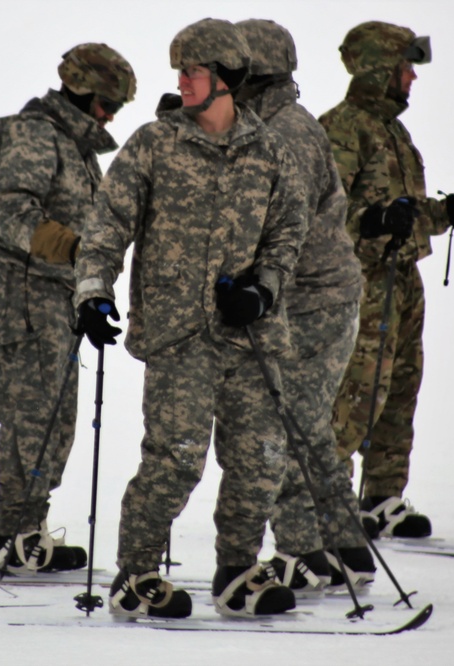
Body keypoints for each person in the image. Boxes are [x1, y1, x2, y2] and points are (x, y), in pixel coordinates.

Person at [73, 18, 309, 619]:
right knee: (176, 459)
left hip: (250, 336)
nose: (181, 81)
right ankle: (137, 575)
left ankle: (237, 571)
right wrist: (93, 294)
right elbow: (105, 230)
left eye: (193, 71)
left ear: (225, 79)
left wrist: (263, 290)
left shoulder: (270, 150)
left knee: (259, 459)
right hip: (180, 336)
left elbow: (288, 232)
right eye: (180, 70)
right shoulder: (155, 143)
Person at [319, 21, 454, 539]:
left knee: (399, 390)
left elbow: (405, 211)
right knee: (352, 397)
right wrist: (374, 222)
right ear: (380, 69)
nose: (412, 78)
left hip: (401, 281)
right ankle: (322, 509)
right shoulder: (341, 129)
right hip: (356, 286)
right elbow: (320, 217)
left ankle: (381, 497)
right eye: (405, 67)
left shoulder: (394, 132)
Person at [0, 43, 136, 574]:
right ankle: (12, 537)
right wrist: (74, 250)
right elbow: (12, 211)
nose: (110, 115)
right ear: (83, 90)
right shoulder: (36, 133)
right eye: (107, 103)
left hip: (52, 297)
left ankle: (27, 532)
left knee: (52, 421)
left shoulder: (72, 144)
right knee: (32, 419)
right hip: (24, 295)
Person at [231, 19, 374, 596]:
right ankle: (339, 547)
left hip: (310, 302)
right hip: (320, 296)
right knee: (306, 426)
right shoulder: (279, 123)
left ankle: (306, 552)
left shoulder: (284, 133)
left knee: (289, 424)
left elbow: (262, 221)